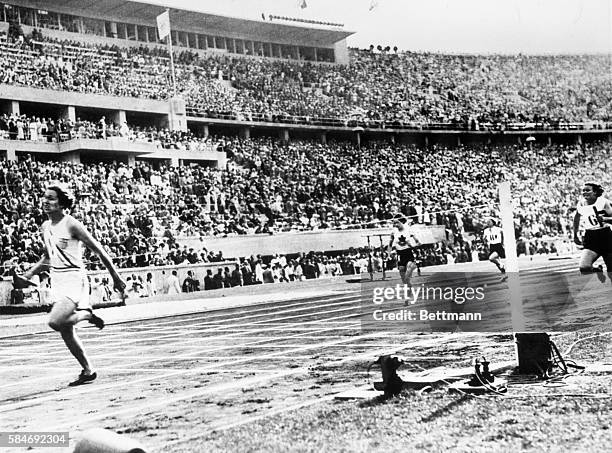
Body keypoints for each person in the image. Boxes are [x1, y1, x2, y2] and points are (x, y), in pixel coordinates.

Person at [20, 184, 126, 386]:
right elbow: (48, 257)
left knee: (55, 321)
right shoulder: (45, 226)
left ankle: (86, 314)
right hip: (57, 280)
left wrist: (115, 276)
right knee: (66, 330)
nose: (46, 201)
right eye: (45, 197)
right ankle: (88, 370)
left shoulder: (72, 224)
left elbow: (99, 251)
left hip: (74, 279)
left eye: (51, 198)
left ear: (62, 203)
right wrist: (30, 273)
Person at [573, 183, 612, 279]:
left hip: (606, 235)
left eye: (587, 190)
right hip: (591, 236)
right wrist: (575, 234)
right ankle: (597, 269)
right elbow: (576, 219)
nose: (584, 192)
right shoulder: (581, 203)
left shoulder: (603, 202)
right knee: (584, 268)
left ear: (595, 192)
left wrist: (604, 219)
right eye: (583, 190)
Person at [389, 217, 420, 290]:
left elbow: (418, 243)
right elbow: (390, 244)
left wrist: (411, 245)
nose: (395, 225)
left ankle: (412, 267)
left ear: (402, 222)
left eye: (397, 222)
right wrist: (389, 253)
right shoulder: (393, 232)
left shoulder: (408, 230)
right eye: (394, 223)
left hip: (408, 252)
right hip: (400, 253)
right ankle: (409, 287)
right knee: (402, 274)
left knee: (408, 271)